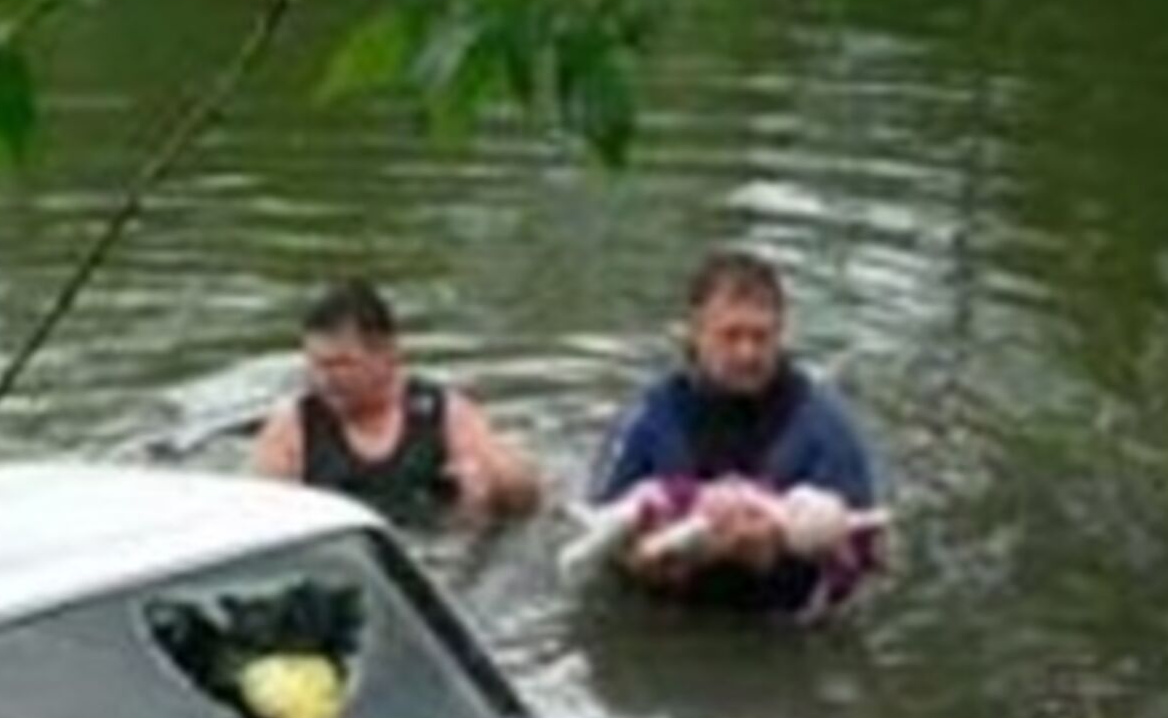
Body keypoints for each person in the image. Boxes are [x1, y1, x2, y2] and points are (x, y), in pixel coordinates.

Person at [591, 250, 881, 614]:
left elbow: (865, 558)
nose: (747, 353)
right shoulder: (647, 418)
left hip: (777, 626)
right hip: (668, 618)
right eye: (730, 336)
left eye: (761, 337)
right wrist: (650, 563)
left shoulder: (825, 426)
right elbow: (597, 542)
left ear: (781, 335)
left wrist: (776, 555)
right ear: (696, 333)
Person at [252, 280, 541, 525]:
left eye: (342, 364)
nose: (325, 379)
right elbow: (267, 519)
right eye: (316, 365)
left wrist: (494, 485)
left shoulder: (445, 414)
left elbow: (526, 494)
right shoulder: (292, 427)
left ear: (387, 355)